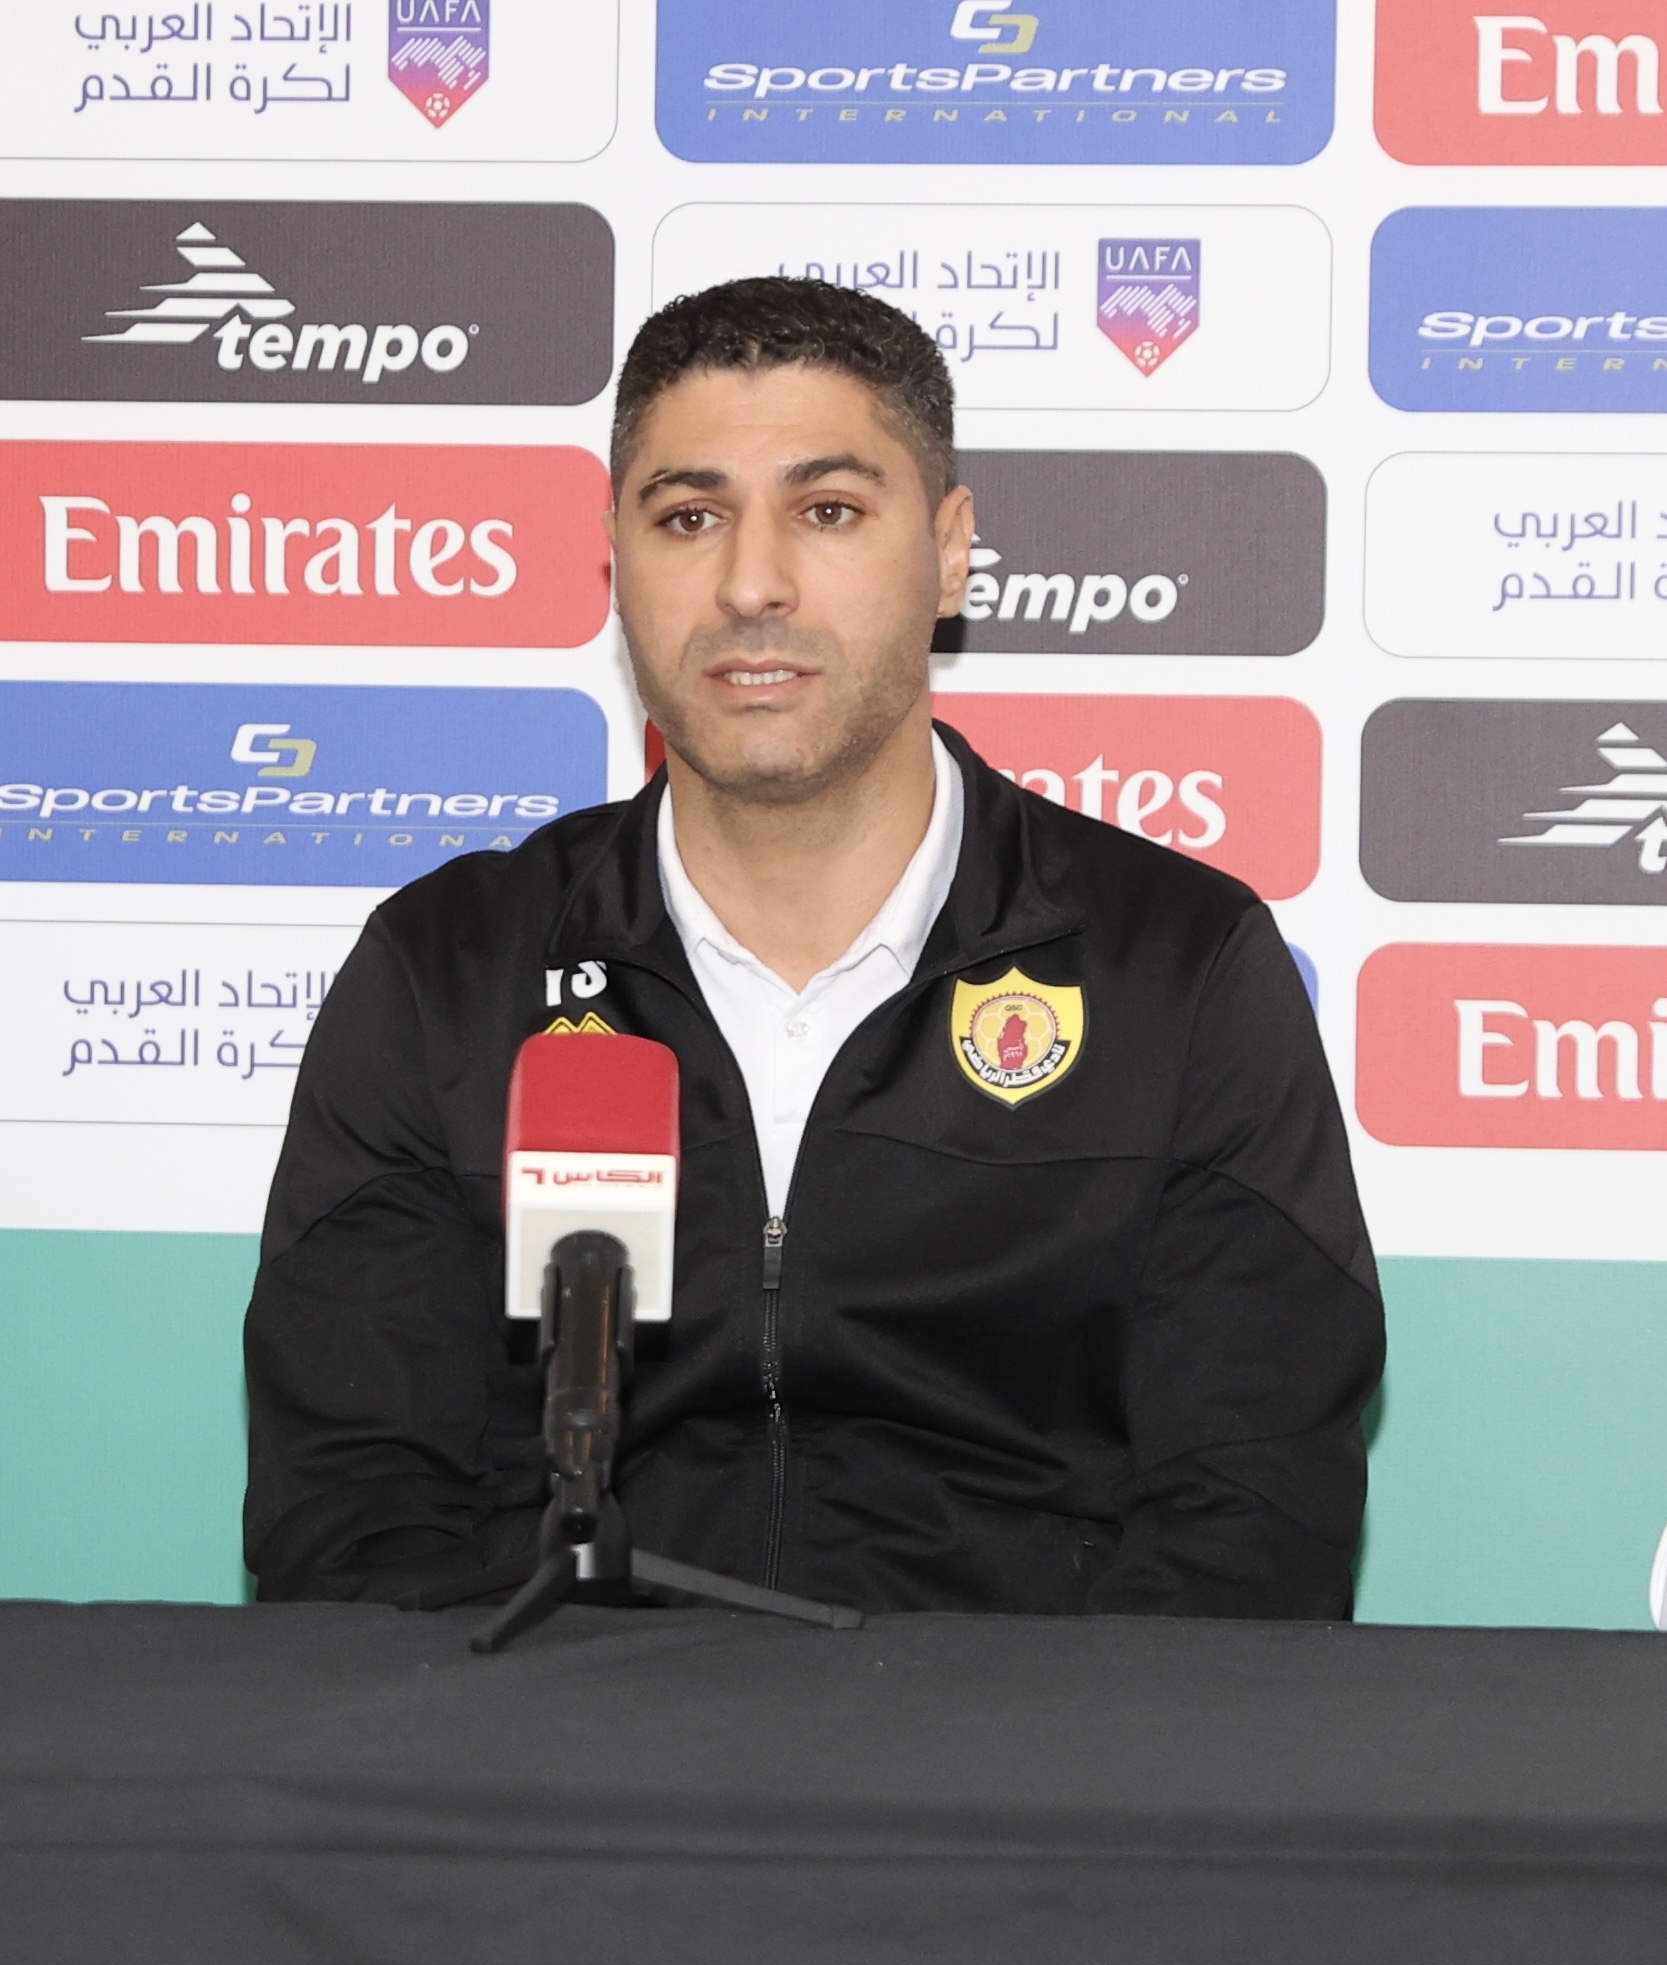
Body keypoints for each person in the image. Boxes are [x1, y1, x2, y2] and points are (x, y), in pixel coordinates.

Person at [244, 277, 1384, 1617]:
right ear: (617, 563)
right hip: (568, 1733)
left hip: (1025, 1736)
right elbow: (353, 1514)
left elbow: (1252, 1522)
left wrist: (1019, 1740)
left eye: (827, 510)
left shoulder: (1178, 966)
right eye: (690, 517)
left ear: (950, 552)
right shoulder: (447, 971)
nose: (751, 583)